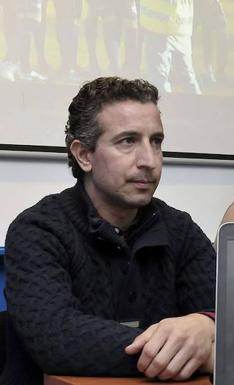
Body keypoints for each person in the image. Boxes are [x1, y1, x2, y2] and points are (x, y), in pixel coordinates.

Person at [2, 77, 216, 385]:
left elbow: (230, 322)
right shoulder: (37, 229)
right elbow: (59, 339)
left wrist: (206, 325)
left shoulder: (180, 229)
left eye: (156, 141)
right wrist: (197, 351)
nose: (149, 160)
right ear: (84, 155)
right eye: (127, 141)